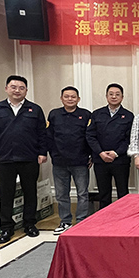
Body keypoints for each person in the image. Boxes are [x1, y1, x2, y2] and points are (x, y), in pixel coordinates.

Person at [0, 75, 47, 244]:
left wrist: (42, 152)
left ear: (26, 90)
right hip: (5, 159)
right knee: (6, 194)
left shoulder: (35, 109)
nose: (17, 90)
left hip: (29, 158)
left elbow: (42, 133)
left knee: (30, 192)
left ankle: (30, 224)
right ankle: (6, 228)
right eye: (13, 87)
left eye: (21, 88)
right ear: (6, 89)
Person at [47, 86, 92, 235]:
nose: (70, 99)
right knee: (61, 194)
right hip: (59, 162)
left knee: (82, 193)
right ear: (61, 98)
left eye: (73, 97)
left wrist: (91, 155)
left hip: (80, 162)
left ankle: (81, 221)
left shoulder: (86, 115)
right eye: (66, 96)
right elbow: (49, 137)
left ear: (78, 99)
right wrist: (52, 154)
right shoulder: (54, 115)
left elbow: (90, 137)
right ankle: (65, 221)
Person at [86, 83, 134, 208]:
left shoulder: (128, 116)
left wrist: (116, 153)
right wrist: (100, 153)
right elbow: (90, 136)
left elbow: (130, 139)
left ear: (122, 97)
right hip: (100, 160)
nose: (114, 97)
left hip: (120, 160)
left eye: (117, 94)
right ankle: (105, 218)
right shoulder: (97, 114)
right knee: (103, 193)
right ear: (106, 96)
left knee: (123, 192)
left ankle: (124, 217)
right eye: (111, 94)